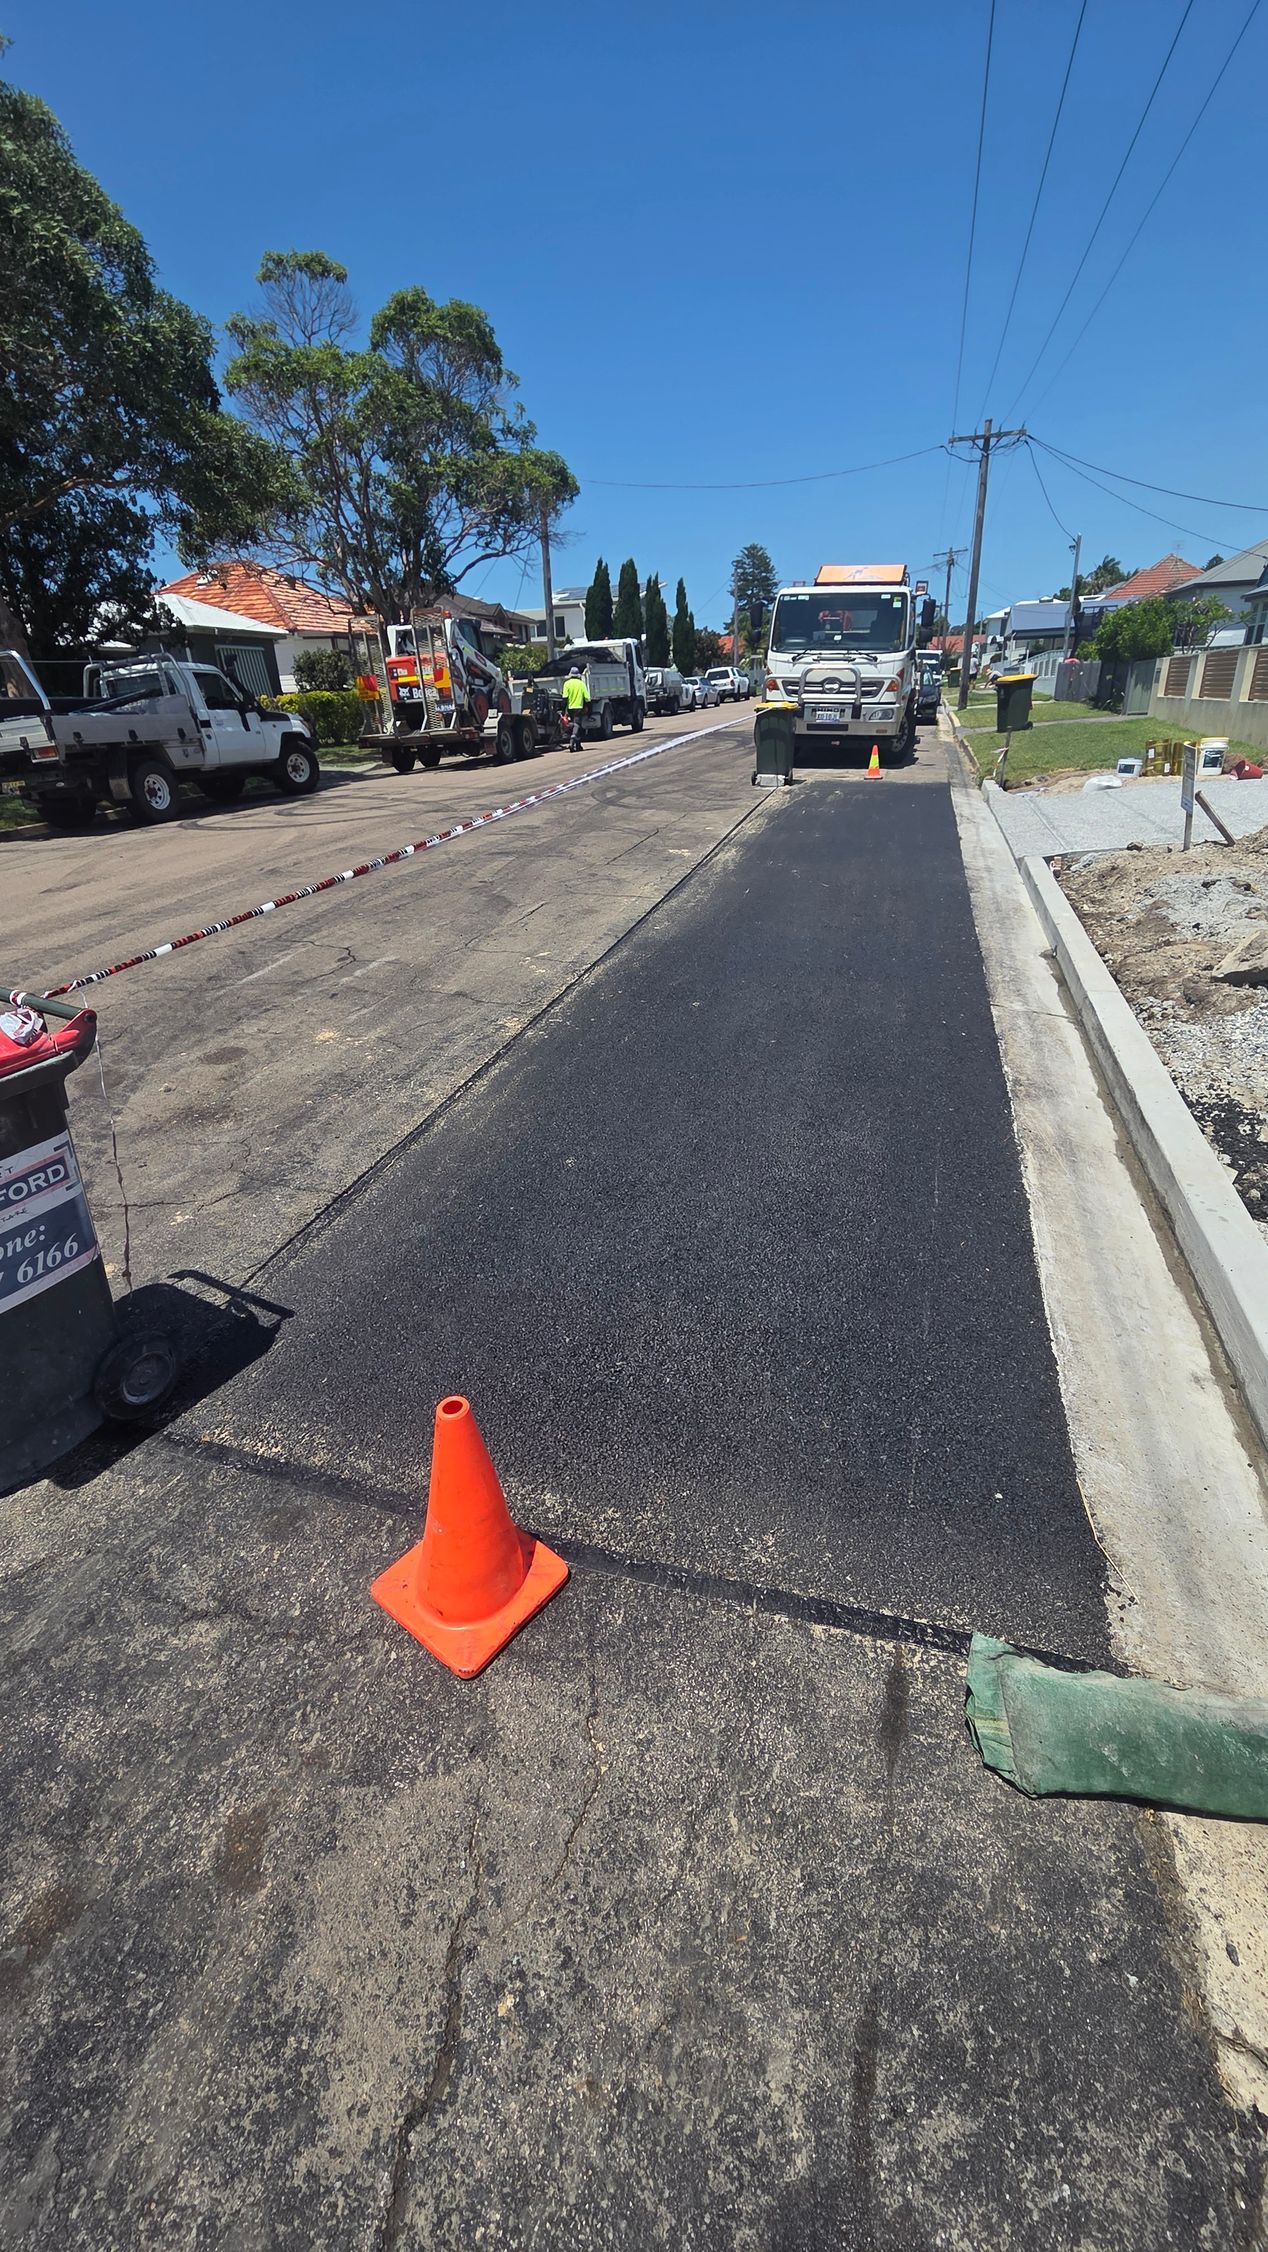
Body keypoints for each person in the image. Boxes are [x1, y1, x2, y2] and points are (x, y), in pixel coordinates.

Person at [561, 665, 590, 751]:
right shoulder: (581, 684)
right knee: (577, 725)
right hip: (579, 708)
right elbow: (587, 698)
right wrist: (587, 707)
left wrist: (563, 710)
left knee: (575, 725)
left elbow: (565, 698)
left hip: (570, 708)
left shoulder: (566, 684)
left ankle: (578, 746)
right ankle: (572, 742)